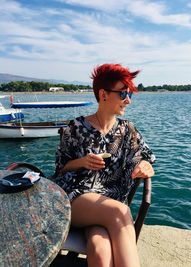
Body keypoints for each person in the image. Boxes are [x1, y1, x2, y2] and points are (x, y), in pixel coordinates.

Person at [54, 63, 156, 267]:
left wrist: (145, 165)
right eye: (123, 94)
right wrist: (82, 162)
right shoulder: (75, 128)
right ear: (103, 94)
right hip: (77, 198)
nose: (128, 100)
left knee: (101, 252)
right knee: (120, 212)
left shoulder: (128, 130)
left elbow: (147, 157)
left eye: (130, 95)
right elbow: (60, 169)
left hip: (109, 202)